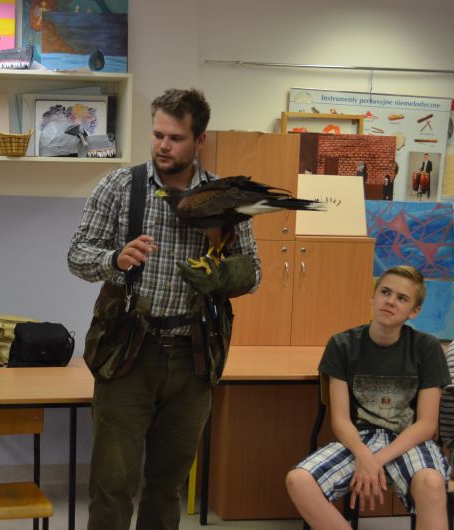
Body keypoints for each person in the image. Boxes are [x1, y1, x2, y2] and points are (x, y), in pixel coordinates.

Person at [67, 88, 261, 530]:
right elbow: (77, 256)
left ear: (200, 140)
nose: (163, 146)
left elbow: (253, 274)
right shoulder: (120, 186)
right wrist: (115, 259)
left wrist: (220, 275)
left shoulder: (225, 196)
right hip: (127, 355)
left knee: (167, 486)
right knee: (112, 485)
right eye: (158, 135)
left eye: (175, 138)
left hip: (194, 358)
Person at [286, 265, 450, 530]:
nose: (390, 301)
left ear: (414, 311)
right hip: (359, 439)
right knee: (299, 481)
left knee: (431, 483)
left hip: (408, 440)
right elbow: (340, 420)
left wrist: (376, 460)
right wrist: (364, 456)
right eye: (385, 292)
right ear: (373, 297)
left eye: (402, 298)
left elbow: (426, 424)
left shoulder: (427, 348)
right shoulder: (342, 345)